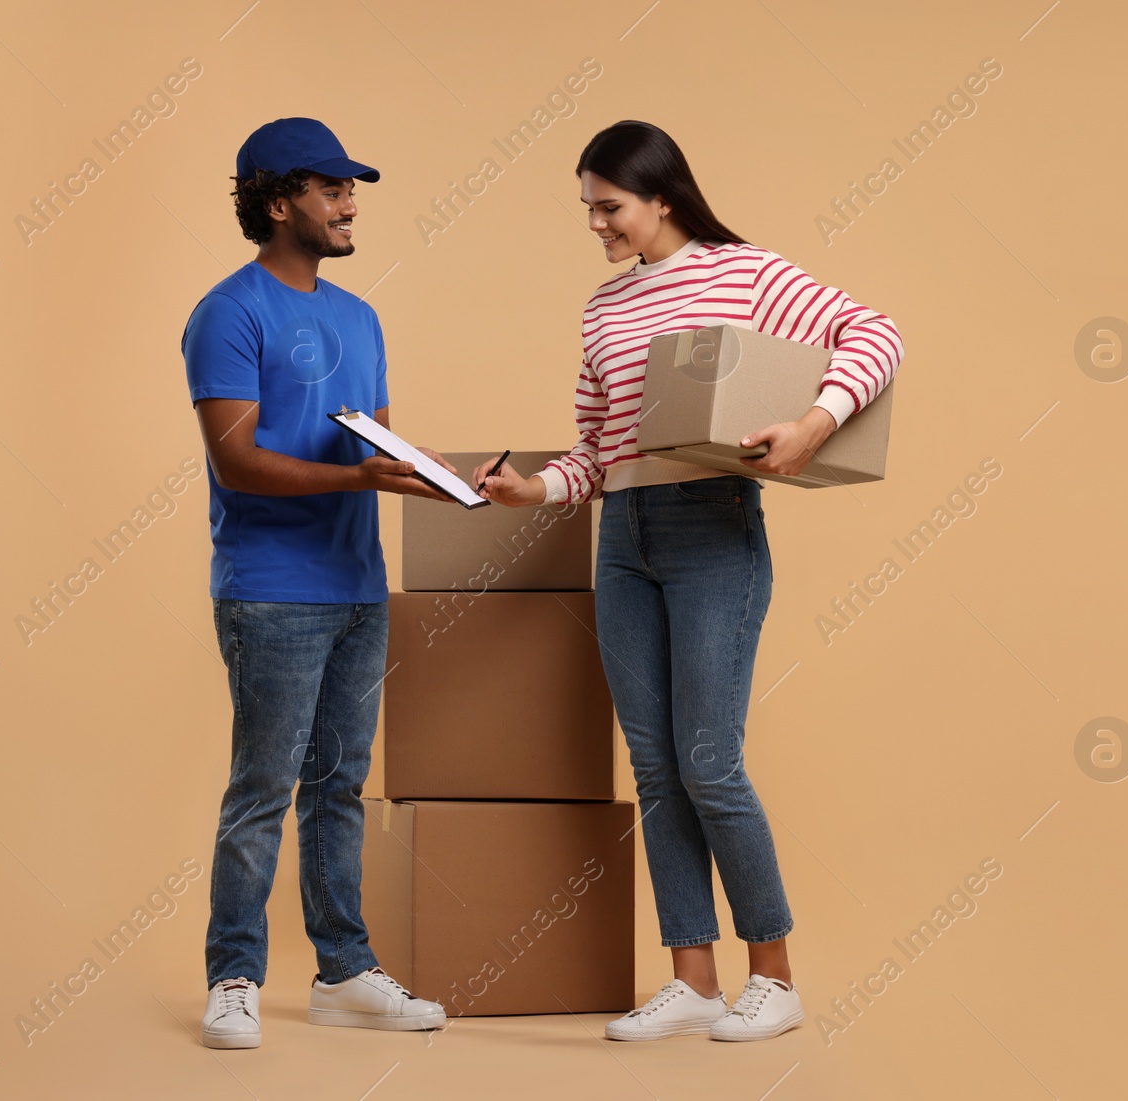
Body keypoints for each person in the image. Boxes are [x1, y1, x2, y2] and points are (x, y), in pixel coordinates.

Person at [474, 120, 903, 1043]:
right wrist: (531, 490)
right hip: (622, 536)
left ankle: (775, 977)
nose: (597, 225)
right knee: (659, 768)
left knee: (710, 761)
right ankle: (694, 980)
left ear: (661, 196)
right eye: (588, 209)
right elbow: (596, 450)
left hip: (712, 527)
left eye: (610, 207)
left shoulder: (744, 273)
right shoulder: (602, 308)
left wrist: (813, 425)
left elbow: (874, 333)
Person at [181, 117, 452, 1049]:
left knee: (339, 786)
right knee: (262, 787)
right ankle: (234, 977)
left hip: (357, 589)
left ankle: (342, 971)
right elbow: (238, 463)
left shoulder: (360, 316)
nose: (348, 205)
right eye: (331, 189)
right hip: (270, 589)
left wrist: (428, 472)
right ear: (277, 199)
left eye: (351, 190)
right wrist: (362, 478)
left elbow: (373, 440)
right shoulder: (230, 312)